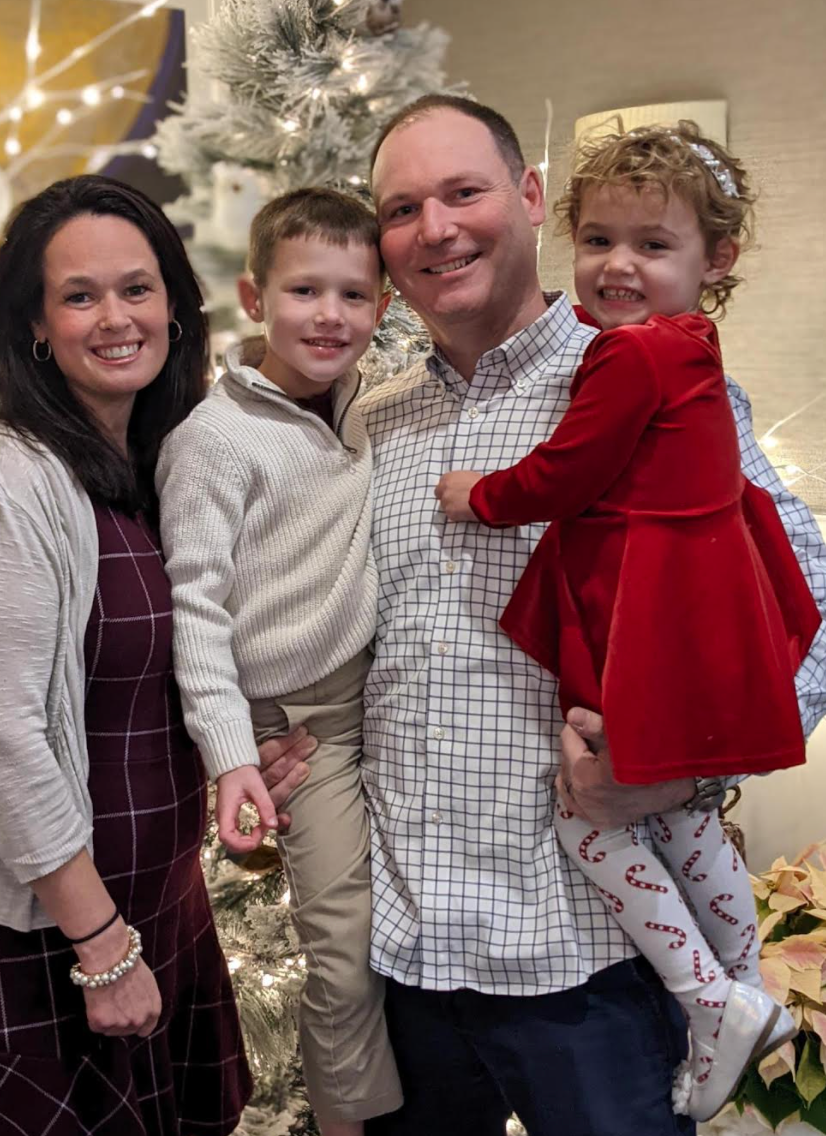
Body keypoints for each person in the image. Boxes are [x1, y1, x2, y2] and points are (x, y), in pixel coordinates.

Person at [263, 95, 826, 1136]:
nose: (433, 229)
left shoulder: (653, 377)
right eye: (400, 209)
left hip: (588, 969)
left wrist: (683, 768)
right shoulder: (372, 416)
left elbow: (807, 604)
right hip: (408, 959)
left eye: (462, 192)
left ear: (527, 200)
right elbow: (337, 636)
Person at [434, 122, 820, 1122]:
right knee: (684, 830)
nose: (616, 264)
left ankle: (713, 998)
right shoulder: (675, 344)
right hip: (441, 934)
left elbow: (812, 595)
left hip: (646, 643)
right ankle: (736, 993)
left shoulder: (637, 363)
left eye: (650, 246)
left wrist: (684, 759)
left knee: (617, 821)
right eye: (599, 238)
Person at [0, 176, 252, 1136]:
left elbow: (182, 666)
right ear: (35, 327)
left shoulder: (160, 468)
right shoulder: (10, 478)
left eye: (137, 289)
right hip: (52, 932)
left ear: (176, 309)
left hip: (162, 907)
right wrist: (99, 941)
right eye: (80, 295)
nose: (116, 317)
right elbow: (0, 733)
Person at [156, 188, 401, 1136]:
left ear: (382, 306)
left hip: (386, 695)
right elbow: (196, 615)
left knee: (394, 934)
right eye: (305, 291)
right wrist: (234, 755)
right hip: (293, 724)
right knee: (341, 951)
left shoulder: (375, 407)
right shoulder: (213, 442)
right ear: (255, 297)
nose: (330, 315)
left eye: (353, 293)